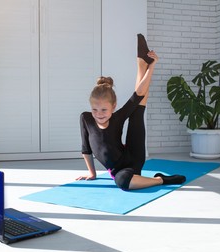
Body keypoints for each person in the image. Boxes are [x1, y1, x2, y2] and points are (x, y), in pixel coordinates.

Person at [76, 34, 186, 191]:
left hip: (133, 156)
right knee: (122, 180)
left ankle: (143, 64)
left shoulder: (117, 117)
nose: (99, 114)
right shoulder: (85, 118)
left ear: (113, 107)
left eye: (104, 110)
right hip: (120, 171)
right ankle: (160, 179)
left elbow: (138, 94)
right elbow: (86, 148)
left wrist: (153, 66)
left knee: (137, 108)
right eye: (95, 109)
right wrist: (92, 173)